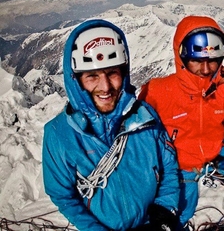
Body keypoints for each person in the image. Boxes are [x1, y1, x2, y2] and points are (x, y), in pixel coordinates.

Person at [42, 19, 180, 231]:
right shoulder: (59, 134)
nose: (105, 87)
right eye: (92, 76)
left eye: (112, 73)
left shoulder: (145, 118)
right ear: (76, 80)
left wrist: (163, 212)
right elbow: (62, 195)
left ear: (123, 74)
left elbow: (168, 168)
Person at [138, 15, 224, 228]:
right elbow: (138, 137)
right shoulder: (158, 91)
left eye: (212, 60)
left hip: (215, 152)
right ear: (182, 57)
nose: (206, 69)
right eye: (197, 60)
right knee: (181, 213)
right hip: (181, 166)